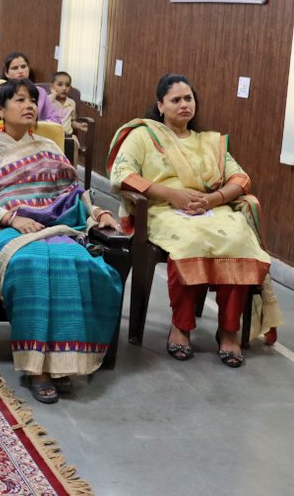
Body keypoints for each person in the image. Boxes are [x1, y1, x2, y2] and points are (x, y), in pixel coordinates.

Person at [0, 78, 123, 403]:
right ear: (0, 109)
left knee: (75, 260)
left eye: (33, 99)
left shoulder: (48, 146)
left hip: (52, 226)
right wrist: (12, 218)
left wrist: (99, 214)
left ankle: (63, 362)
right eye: (20, 100)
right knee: (30, 262)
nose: (30, 105)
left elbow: (73, 194)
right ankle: (37, 368)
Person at [107, 74, 281, 367]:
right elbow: (121, 175)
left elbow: (241, 178)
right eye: (176, 100)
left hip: (210, 210)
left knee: (239, 239)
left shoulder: (209, 142)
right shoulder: (144, 135)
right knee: (190, 241)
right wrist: (172, 194)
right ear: (160, 105)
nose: (184, 104)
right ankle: (182, 326)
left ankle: (228, 330)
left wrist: (212, 199)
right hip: (163, 209)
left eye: (188, 99)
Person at [3, 52, 61, 123]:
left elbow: (56, 120)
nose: (20, 71)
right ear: (6, 73)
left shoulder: (40, 92)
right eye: (15, 68)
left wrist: (36, 125)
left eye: (23, 67)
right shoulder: (2, 92)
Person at [49, 71, 87, 153]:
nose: (64, 88)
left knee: (74, 145)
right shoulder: (49, 100)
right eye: (60, 85)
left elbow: (71, 121)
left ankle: (72, 165)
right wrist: (52, 96)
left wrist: (78, 125)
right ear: (52, 87)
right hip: (51, 137)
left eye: (67, 85)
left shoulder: (71, 103)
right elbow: (43, 111)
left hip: (67, 136)